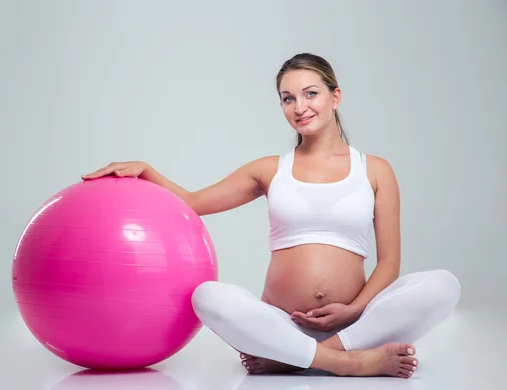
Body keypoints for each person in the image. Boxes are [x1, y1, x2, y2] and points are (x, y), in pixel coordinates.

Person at [81, 53, 461, 379]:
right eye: (287, 98)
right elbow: (193, 202)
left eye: (310, 93)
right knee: (207, 297)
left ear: (335, 97)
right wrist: (147, 171)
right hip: (280, 324)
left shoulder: (376, 170)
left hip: (354, 325)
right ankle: (346, 364)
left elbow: (390, 262)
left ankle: (304, 358)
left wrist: (353, 310)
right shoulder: (269, 170)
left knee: (444, 285)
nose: (300, 107)